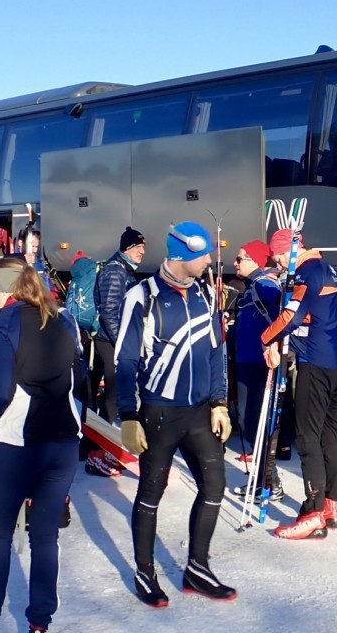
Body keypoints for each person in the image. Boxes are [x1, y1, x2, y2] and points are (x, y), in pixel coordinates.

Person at [0, 256, 83, 633]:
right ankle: (40, 623)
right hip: (63, 441)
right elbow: (81, 377)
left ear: (1, 290)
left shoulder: (3, 324)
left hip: (19, 441)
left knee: (0, 532)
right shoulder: (60, 319)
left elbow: (1, 391)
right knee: (45, 537)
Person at [114, 221, 235, 606]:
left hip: (199, 412)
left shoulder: (205, 293)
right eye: (202, 256)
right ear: (181, 255)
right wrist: (129, 415)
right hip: (159, 413)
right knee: (151, 493)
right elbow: (125, 359)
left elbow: (218, 352)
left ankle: (197, 567)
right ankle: (145, 572)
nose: (210, 261)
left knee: (214, 485)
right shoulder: (142, 295)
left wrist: (220, 403)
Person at [261, 229, 337, 540]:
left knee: (307, 437)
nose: (274, 260)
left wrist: (267, 339)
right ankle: (330, 506)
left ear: (287, 251)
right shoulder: (329, 269)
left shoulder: (307, 273)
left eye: (276, 255)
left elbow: (293, 316)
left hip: (316, 365)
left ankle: (313, 512)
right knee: (329, 436)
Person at [228, 240, 287, 503]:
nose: (236, 263)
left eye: (241, 258)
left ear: (254, 260)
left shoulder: (264, 285)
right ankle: (264, 479)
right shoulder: (252, 286)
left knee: (255, 421)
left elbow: (283, 319)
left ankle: (269, 482)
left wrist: (274, 346)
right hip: (245, 361)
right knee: (247, 420)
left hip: (258, 364)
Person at [92, 228, 145, 438]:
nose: (143, 252)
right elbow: (109, 311)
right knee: (114, 392)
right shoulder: (115, 271)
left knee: (113, 391)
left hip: (110, 337)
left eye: (144, 248)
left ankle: (99, 439)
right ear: (128, 248)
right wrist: (121, 341)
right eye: (139, 247)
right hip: (108, 339)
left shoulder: (124, 269)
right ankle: (101, 441)